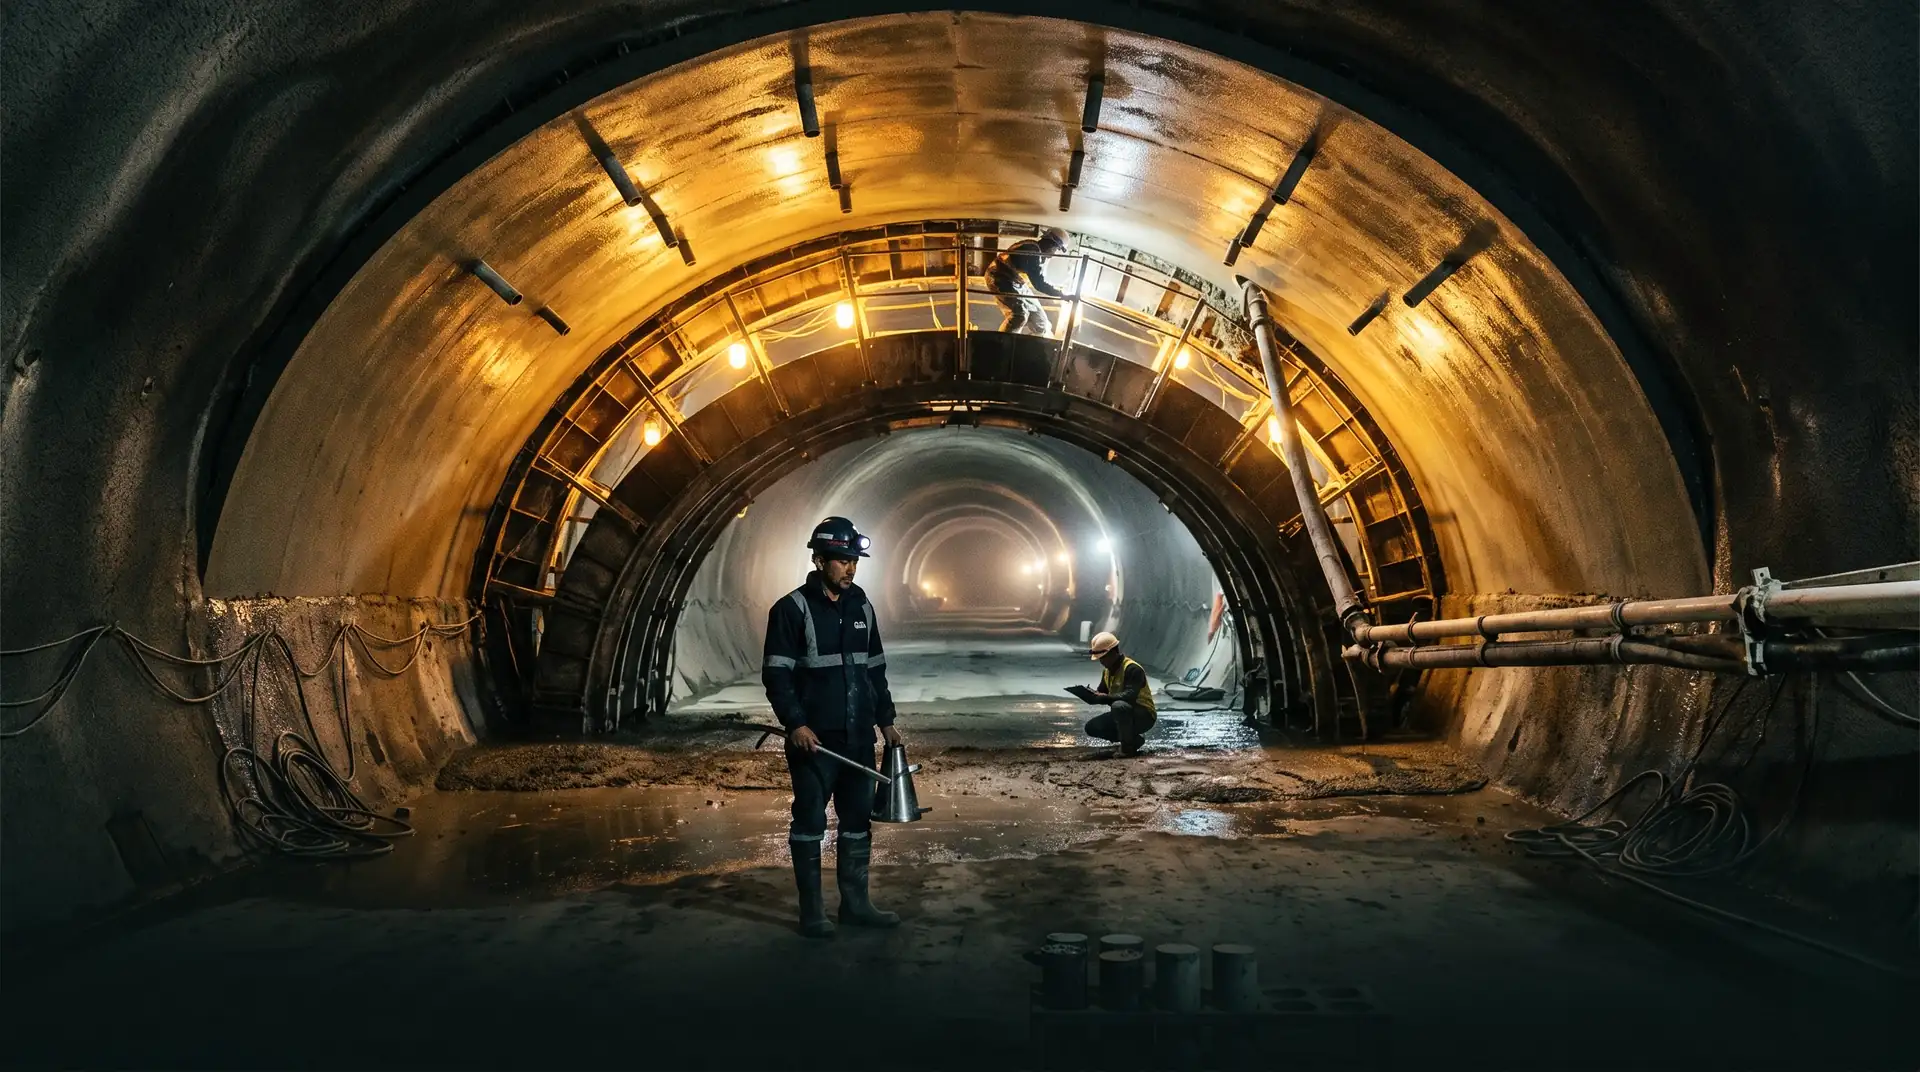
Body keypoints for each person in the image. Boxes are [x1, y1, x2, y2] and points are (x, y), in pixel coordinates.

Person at [762, 516, 904, 938]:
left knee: (858, 820)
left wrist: (887, 720)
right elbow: (777, 676)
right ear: (819, 559)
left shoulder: (862, 605)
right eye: (842, 560)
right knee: (809, 822)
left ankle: (856, 906)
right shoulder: (791, 609)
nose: (851, 568)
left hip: (858, 737)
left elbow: (874, 670)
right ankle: (812, 914)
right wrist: (796, 724)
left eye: (854, 561)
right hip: (815, 743)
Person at [1082, 631, 1157, 756]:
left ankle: (1127, 749)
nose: (1101, 662)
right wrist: (1091, 695)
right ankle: (1133, 740)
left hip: (1143, 715)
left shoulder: (1132, 668)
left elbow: (1130, 695)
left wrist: (1106, 697)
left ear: (1113, 652)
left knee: (1118, 705)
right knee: (1092, 727)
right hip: (1123, 713)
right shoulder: (1107, 672)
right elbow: (1102, 692)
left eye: (1103, 658)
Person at [986, 227, 1073, 335]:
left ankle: (1039, 347)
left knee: (1041, 322)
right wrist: (1061, 295)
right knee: (1019, 315)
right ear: (1050, 243)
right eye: (1056, 249)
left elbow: (1039, 278)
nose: (1054, 253)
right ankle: (1003, 343)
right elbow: (1039, 284)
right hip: (999, 277)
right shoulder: (1031, 251)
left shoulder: (1038, 252)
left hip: (1015, 281)